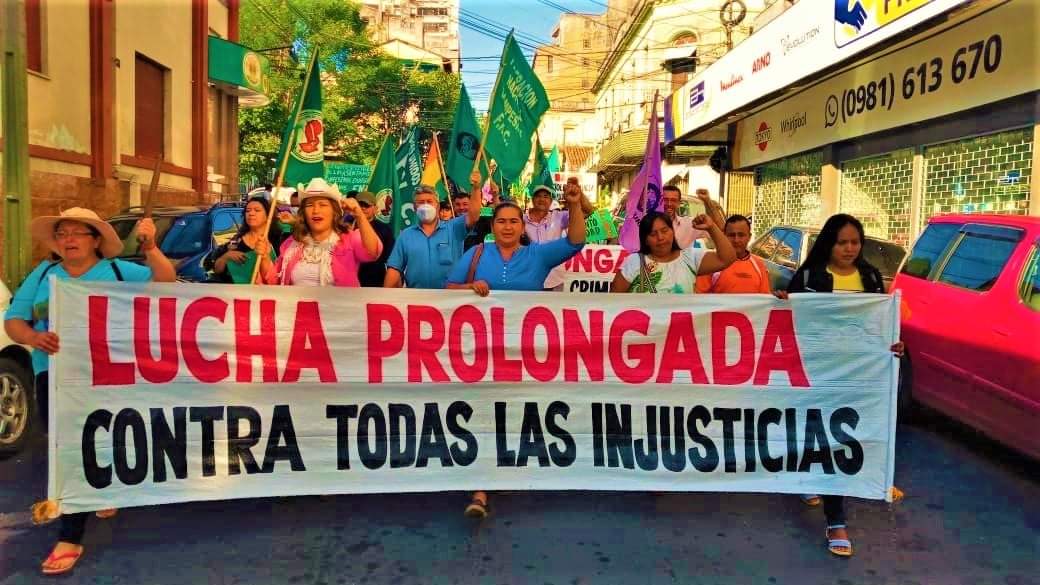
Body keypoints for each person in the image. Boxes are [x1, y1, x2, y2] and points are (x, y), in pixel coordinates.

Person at [4, 207, 176, 576]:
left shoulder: (116, 272)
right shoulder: (45, 274)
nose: (68, 239)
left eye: (77, 233)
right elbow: (14, 320)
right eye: (62, 232)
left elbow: (165, 281)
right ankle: (80, 514)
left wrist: (150, 246)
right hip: (55, 375)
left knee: (101, 440)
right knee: (68, 448)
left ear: (95, 240)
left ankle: (76, 526)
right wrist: (34, 337)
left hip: (106, 375)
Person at [445, 182, 588, 519]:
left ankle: (509, 467)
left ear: (522, 227)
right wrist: (470, 286)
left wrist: (576, 205)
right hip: (483, 351)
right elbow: (449, 287)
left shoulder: (537, 254)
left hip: (526, 352)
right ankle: (480, 488)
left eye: (513, 221)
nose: (507, 226)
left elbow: (576, 241)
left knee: (517, 410)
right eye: (501, 221)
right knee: (483, 412)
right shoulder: (478, 253)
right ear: (492, 227)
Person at [779, 213, 905, 558]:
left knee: (841, 437)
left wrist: (893, 344)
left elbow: (879, 325)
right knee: (823, 434)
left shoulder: (869, 276)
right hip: (818, 370)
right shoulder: (808, 276)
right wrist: (780, 303)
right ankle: (835, 518)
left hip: (857, 374)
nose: (850, 248)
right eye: (842, 242)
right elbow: (787, 320)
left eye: (855, 242)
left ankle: (825, 498)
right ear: (829, 244)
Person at [263, 178, 381, 287]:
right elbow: (273, 281)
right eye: (310, 205)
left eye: (323, 205)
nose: (316, 210)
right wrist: (264, 256)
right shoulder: (292, 243)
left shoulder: (349, 238)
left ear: (334, 211)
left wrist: (359, 214)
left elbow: (373, 252)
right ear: (303, 212)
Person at [383, 172, 483, 289]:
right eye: (421, 202)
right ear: (415, 208)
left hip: (451, 298)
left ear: (438, 206)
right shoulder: (406, 235)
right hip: (417, 299)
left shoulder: (454, 228)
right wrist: (386, 296)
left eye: (429, 202)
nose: (425, 206)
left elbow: (474, 215)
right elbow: (394, 269)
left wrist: (476, 188)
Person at [611, 211, 736, 294]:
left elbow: (727, 258)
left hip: (680, 332)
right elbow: (613, 301)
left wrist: (711, 227)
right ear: (646, 240)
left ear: (673, 231)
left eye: (665, 231)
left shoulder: (690, 258)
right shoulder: (634, 262)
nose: (660, 237)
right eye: (653, 234)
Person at [209, 196, 284, 284]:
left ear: (268, 215)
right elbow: (217, 270)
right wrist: (226, 257)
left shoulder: (280, 240)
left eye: (257, 210)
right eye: (248, 211)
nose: (251, 213)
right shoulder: (236, 241)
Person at [695, 214, 771, 294]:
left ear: (749, 237)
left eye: (741, 235)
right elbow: (699, 298)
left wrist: (778, 300)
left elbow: (765, 298)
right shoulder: (711, 262)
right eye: (731, 235)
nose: (736, 240)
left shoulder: (759, 265)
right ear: (724, 236)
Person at [524, 182, 594, 244]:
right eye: (538, 196)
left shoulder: (559, 216)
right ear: (532, 200)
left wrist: (579, 193)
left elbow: (587, 211)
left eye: (545, 197)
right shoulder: (521, 219)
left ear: (551, 201)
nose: (542, 199)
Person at [355, 191, 396, 287]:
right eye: (360, 205)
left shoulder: (385, 230)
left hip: (376, 282)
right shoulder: (347, 228)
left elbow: (390, 259)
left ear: (375, 208)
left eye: (367, 205)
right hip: (350, 282)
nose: (363, 208)